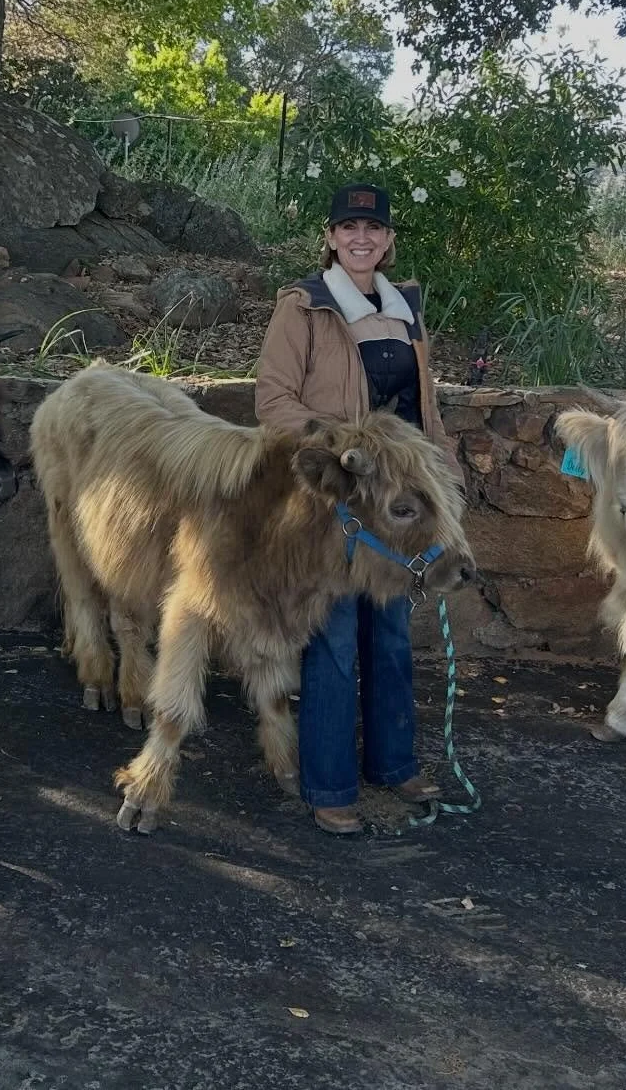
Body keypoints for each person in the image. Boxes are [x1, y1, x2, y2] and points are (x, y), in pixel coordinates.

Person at [255, 183, 462, 834]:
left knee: (393, 633)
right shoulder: (304, 305)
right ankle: (329, 784)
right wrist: (340, 443)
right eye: (349, 227)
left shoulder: (407, 310)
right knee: (336, 637)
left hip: (394, 509)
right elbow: (273, 399)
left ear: (389, 240)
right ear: (331, 236)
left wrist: (441, 465)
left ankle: (394, 762)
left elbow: (421, 409)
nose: (361, 238)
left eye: (373, 229)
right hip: (333, 503)